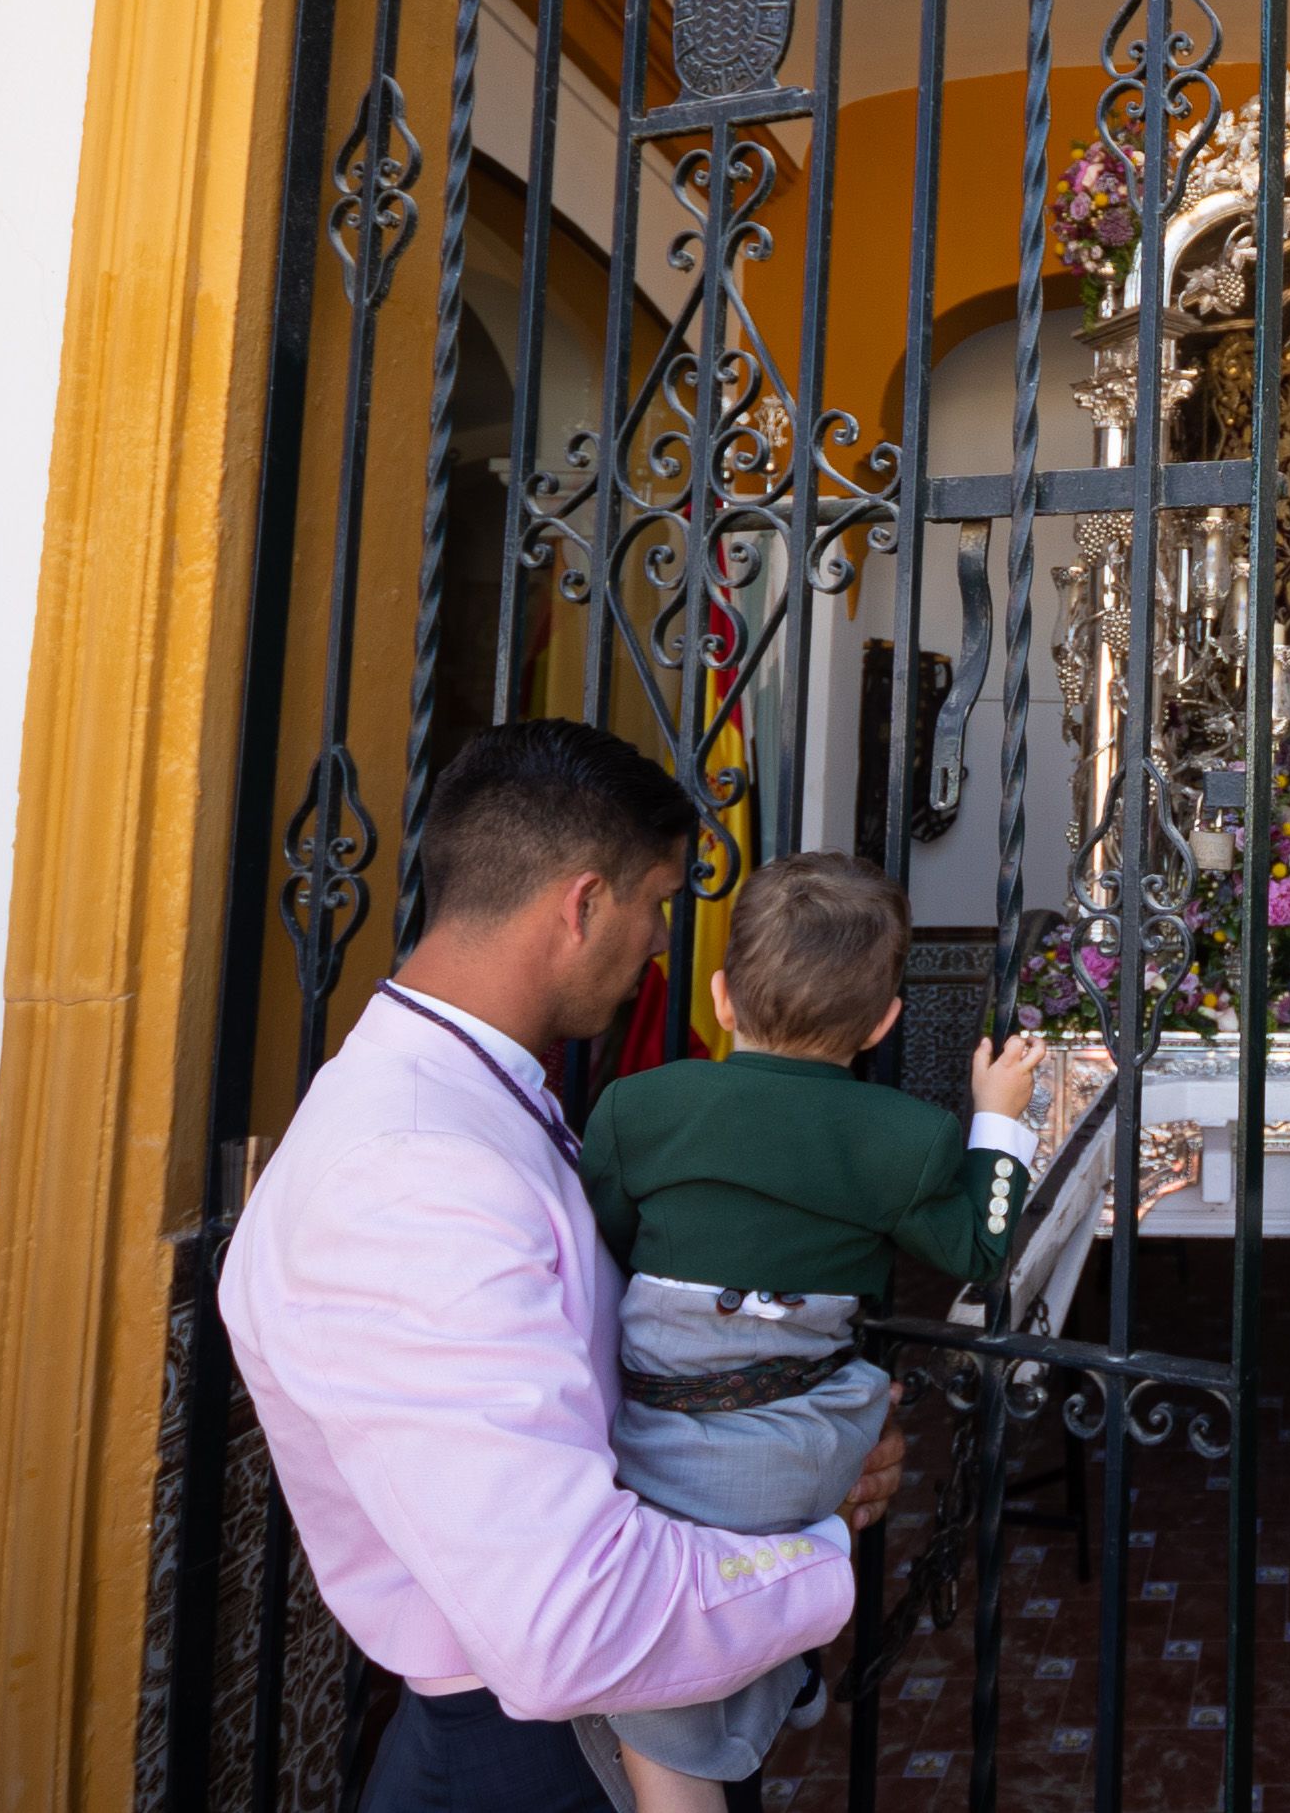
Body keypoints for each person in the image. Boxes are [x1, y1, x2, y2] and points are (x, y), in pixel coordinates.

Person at [220, 721, 904, 1813]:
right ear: (582, 904)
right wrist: (821, 1551)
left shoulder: (463, 1095)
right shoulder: (407, 1174)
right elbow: (568, 1622)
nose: (659, 947)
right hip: (526, 1761)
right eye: (656, 905)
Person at [577, 852, 1044, 1813]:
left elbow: (608, 1246)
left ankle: (733, 1698)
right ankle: (770, 1662)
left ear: (719, 994)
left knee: (656, 1685)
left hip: (660, 1443)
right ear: (882, 1021)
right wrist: (998, 1123)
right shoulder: (905, 1134)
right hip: (802, 1457)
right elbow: (978, 1249)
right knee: (712, 1643)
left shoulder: (637, 1107)